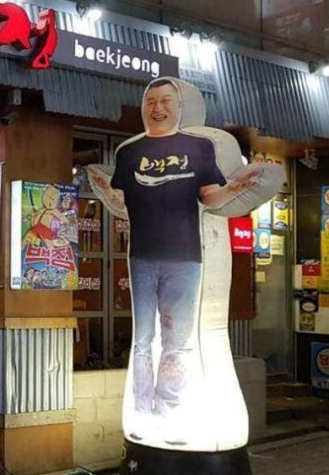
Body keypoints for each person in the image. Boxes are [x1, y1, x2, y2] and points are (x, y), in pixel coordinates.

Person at [87, 79, 258, 444]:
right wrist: (106, 193)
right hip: (141, 257)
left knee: (177, 342)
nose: (158, 107)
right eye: (150, 101)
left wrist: (236, 189)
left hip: (186, 258)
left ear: (180, 107)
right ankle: (142, 413)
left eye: (166, 100)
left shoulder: (199, 147)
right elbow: (121, 202)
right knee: (142, 340)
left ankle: (171, 414)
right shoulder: (129, 152)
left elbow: (209, 197)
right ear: (143, 107)